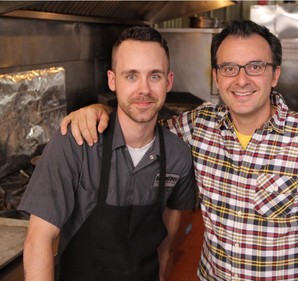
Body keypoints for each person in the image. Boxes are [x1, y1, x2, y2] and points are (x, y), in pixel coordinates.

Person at [60, 20, 298, 281]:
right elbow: (140, 122)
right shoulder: (198, 127)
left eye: (255, 67)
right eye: (229, 68)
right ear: (216, 77)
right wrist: (99, 109)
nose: (241, 80)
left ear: (275, 74)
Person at [18, 26, 196, 281]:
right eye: (131, 76)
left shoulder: (178, 156)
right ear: (113, 80)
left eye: (154, 76)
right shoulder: (75, 141)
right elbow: (38, 242)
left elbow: (166, 242)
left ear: (168, 81)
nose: (144, 89)